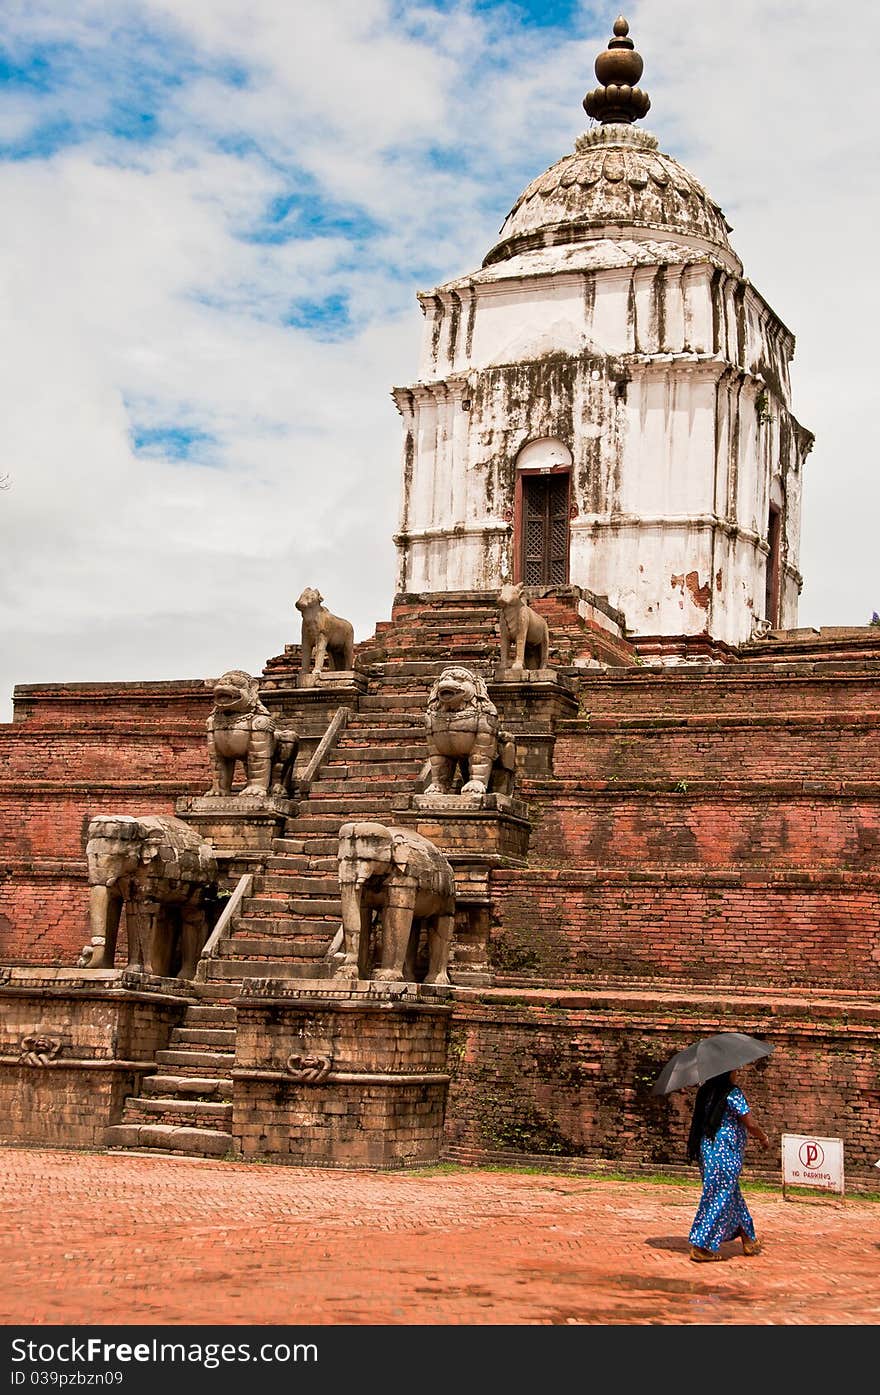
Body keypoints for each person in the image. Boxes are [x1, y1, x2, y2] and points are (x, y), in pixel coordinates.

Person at [686, 1067, 770, 1262]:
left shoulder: (706, 1092)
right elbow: (749, 1123)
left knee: (731, 1194)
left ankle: (748, 1239)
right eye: (734, 1071)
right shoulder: (732, 1093)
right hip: (725, 1152)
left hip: (708, 1149)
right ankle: (702, 1246)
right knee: (718, 1197)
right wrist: (763, 1138)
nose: (736, 1074)